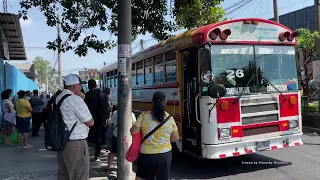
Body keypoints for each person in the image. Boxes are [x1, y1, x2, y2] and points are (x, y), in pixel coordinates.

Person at [130, 91, 179, 180]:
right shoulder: (169, 118)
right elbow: (175, 138)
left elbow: (133, 132)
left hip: (147, 155)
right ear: (165, 102)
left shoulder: (143, 116)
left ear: (152, 102)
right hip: (164, 155)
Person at [56, 74, 94, 180]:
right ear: (74, 86)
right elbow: (90, 122)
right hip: (76, 143)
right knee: (79, 175)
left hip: (62, 141)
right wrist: (81, 99)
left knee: (64, 174)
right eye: (80, 85)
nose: (81, 88)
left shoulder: (59, 98)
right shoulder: (75, 100)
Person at [84, 79, 110, 162]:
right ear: (96, 85)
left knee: (87, 136)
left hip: (88, 119)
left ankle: (85, 154)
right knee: (99, 137)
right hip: (100, 119)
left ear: (88, 86)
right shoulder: (101, 94)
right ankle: (97, 155)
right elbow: (105, 107)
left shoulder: (87, 95)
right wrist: (106, 118)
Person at [106, 105, 136, 170]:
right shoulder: (132, 114)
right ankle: (125, 168)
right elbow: (134, 124)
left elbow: (110, 121)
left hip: (116, 134)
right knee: (127, 152)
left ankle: (109, 166)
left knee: (113, 151)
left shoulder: (116, 113)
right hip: (127, 137)